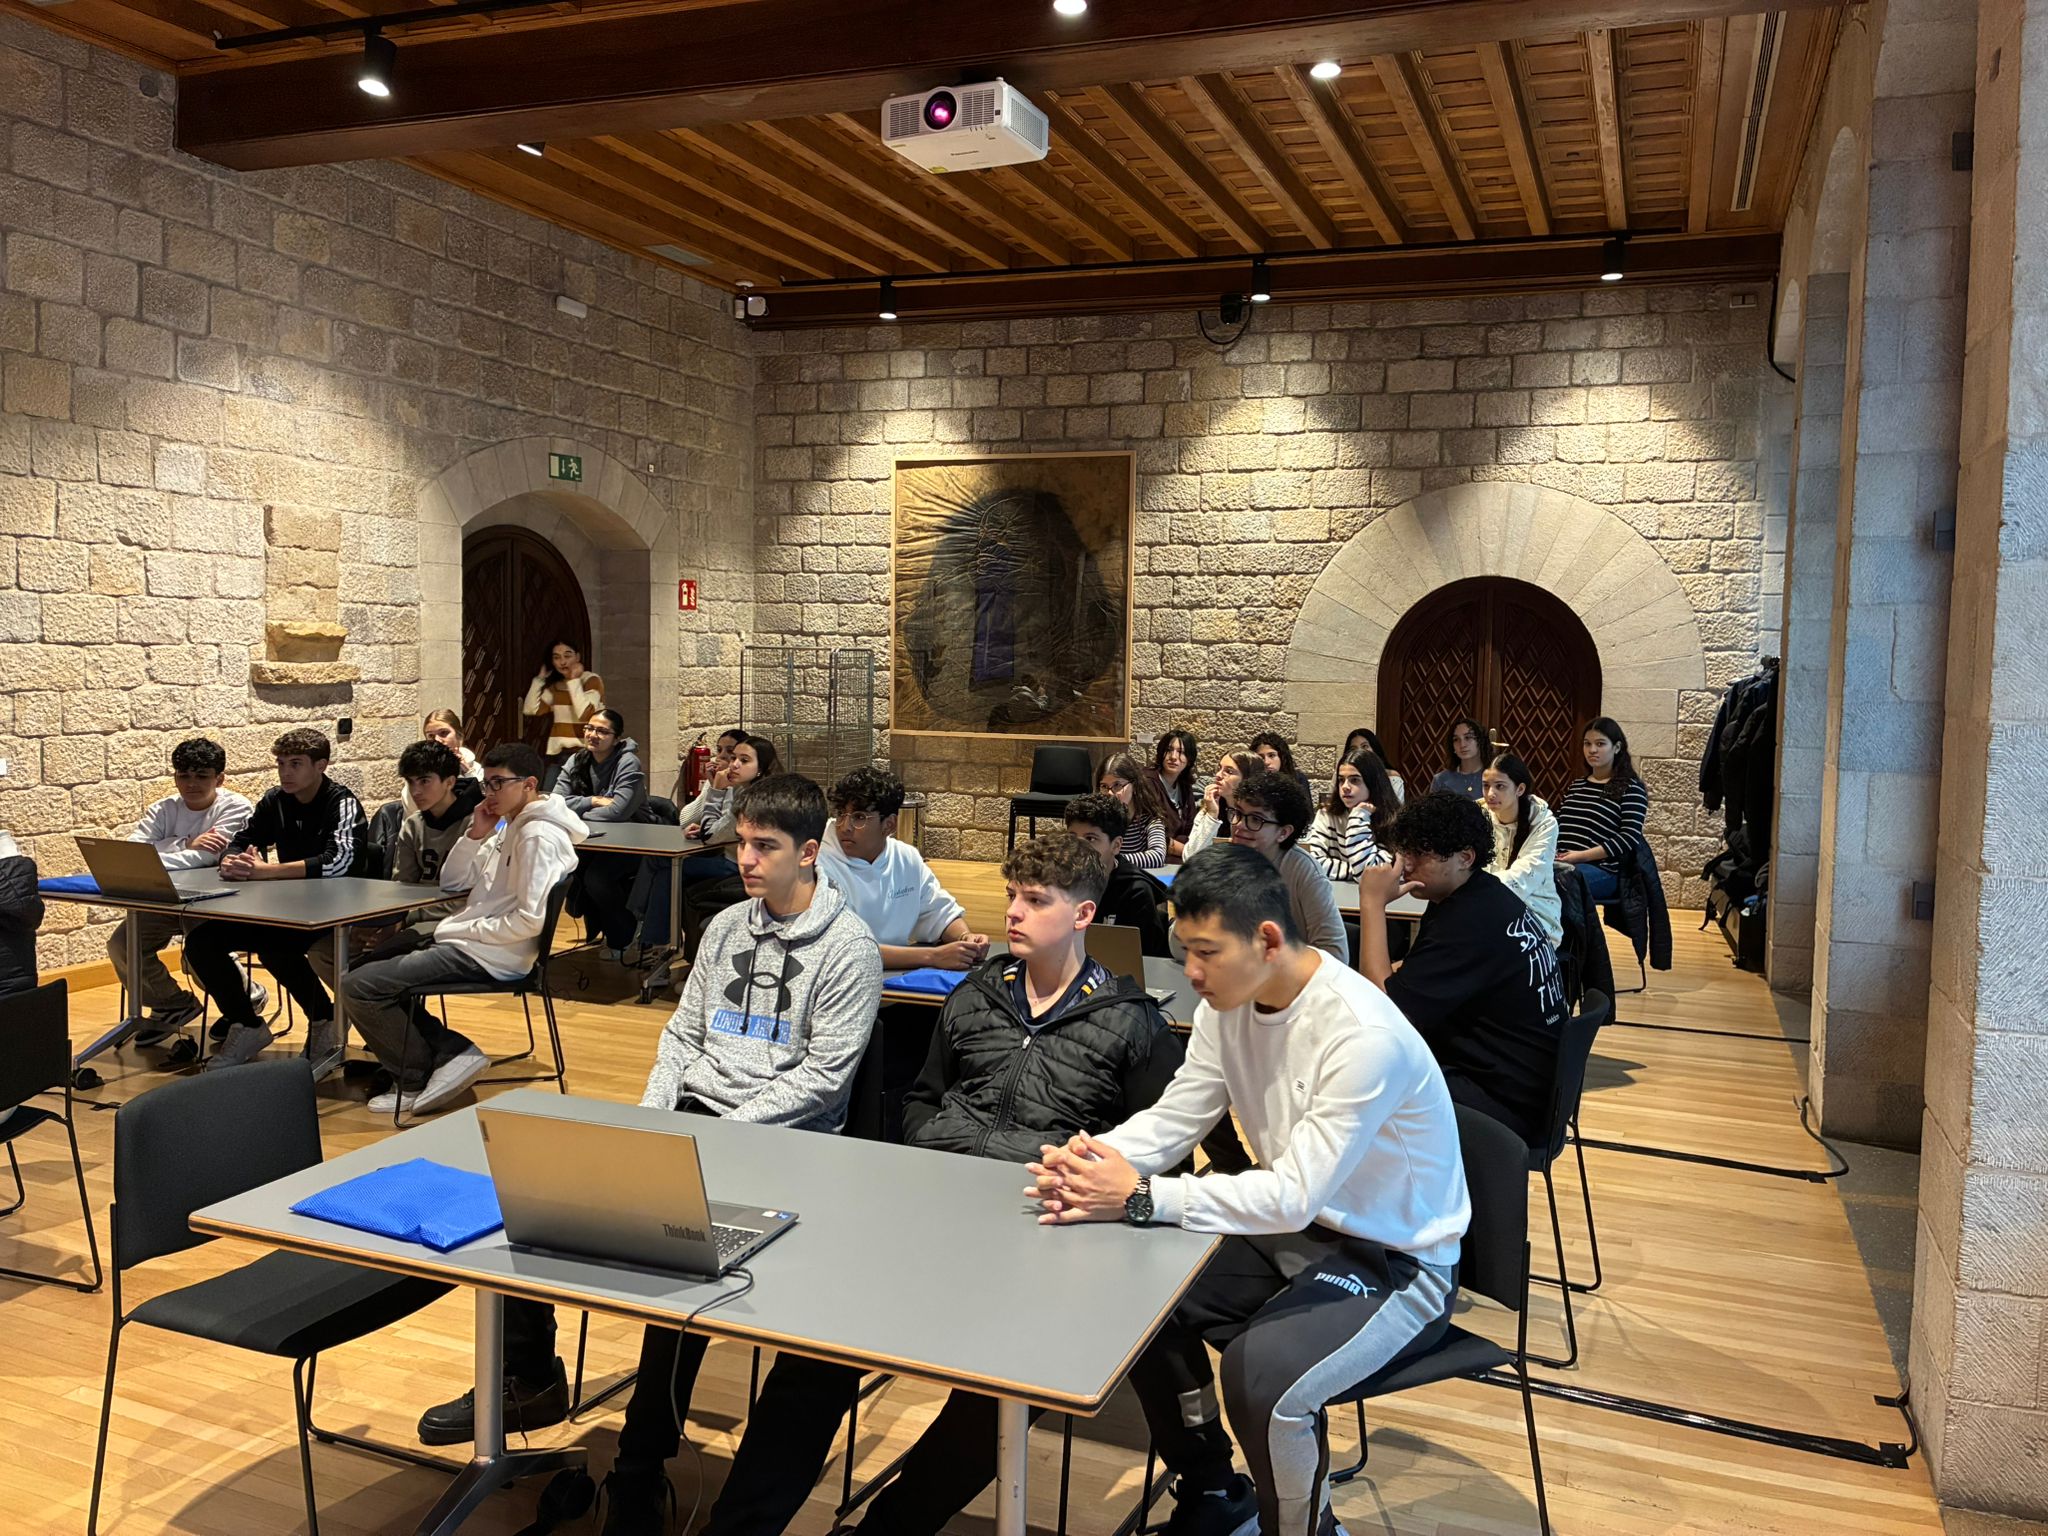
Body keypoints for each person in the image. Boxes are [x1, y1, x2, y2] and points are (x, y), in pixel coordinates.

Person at [694, 832, 1197, 1536]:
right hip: (930, 1214)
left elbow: (1160, 1161)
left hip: (1037, 1235)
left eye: (1035, 901)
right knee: (816, 1351)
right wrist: (931, 1154)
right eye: (1012, 896)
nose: (1012, 913)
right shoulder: (977, 994)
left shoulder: (1131, 1024)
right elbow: (925, 1097)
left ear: (1083, 915)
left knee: (1003, 1391)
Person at [410, 774, 881, 1482]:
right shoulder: (727, 926)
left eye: (765, 847)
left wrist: (715, 1134)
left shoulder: (849, 948)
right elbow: (682, 1036)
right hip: (691, 1122)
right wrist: (655, 1120)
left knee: (681, 1251)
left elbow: (822, 1079)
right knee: (536, 1194)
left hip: (781, 1142)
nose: (746, 859)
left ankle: (641, 1455)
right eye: (742, 843)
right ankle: (528, 1378)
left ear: (809, 852)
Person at [1026, 844, 1469, 1536]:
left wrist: (1141, 1195)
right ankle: (1213, 1489)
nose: (1190, 972)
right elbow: (1179, 1116)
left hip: (1398, 1258)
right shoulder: (1228, 1003)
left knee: (1261, 1378)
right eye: (1185, 950)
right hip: (1297, 1232)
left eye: (1206, 952)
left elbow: (1293, 1193)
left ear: (1266, 939)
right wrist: (1094, 1159)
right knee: (1138, 1299)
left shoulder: (1361, 1034)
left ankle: (1306, 1529)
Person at [340, 742, 587, 1116]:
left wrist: (466, 930)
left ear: (529, 784)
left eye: (499, 783)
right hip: (475, 942)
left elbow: (528, 920)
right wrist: (475, 834)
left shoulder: (538, 836)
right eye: (487, 783)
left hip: (493, 954)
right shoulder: (510, 824)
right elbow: (453, 882)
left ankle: (415, 1076)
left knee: (358, 986)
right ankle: (451, 1053)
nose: (489, 793)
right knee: (364, 970)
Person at [1356, 791, 1570, 1147]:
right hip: (1528, 1085)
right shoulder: (1483, 894)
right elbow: (1417, 971)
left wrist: (1372, 903)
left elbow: (1386, 1008)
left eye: (1421, 853)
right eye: (1405, 850)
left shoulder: (1469, 919)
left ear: (1464, 858)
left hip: (1506, 1104)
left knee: (1368, 1075)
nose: (1406, 864)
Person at [181, 728, 371, 1076]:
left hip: (335, 912)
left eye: (295, 764)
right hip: (285, 910)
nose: (285, 772)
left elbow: (339, 862)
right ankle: (247, 1024)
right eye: (281, 763)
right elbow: (244, 838)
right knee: (201, 942)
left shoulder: (341, 802)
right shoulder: (275, 800)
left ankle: (324, 1019)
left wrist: (267, 872)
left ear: (320, 765)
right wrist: (232, 860)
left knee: (274, 947)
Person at [109, 737, 262, 1044]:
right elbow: (132, 854)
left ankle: (247, 998)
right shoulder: (163, 809)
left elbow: (205, 859)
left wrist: (161, 850)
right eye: (184, 776)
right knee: (123, 945)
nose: (191, 784)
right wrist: (184, 843)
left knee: (198, 952)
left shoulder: (236, 807)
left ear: (219, 779)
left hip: (218, 901)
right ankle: (172, 1004)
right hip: (166, 899)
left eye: (201, 776)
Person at [816, 766, 986, 971]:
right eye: (841, 814)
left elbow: (938, 913)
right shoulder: (818, 863)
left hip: (895, 975)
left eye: (859, 817)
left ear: (889, 825)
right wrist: (932, 956)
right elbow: (844, 950)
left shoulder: (906, 858)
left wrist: (965, 938)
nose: (845, 826)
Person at [1226, 767, 1349, 967]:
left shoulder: (1304, 871)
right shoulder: (1221, 863)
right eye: (1238, 813)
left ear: (1283, 833)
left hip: (1288, 981)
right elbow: (1179, 942)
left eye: (1256, 819)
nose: (1239, 825)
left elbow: (1336, 954)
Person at [555, 707, 649, 959]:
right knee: (564, 869)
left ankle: (623, 937)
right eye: (589, 728)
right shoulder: (577, 760)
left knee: (598, 878)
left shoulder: (627, 762)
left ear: (616, 738)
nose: (593, 735)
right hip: (593, 838)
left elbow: (618, 811)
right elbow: (556, 801)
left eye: (602, 731)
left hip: (635, 840)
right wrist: (593, 801)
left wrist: (576, 813)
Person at [1555, 716, 1651, 905]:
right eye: (1587, 744)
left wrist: (1580, 856)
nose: (1592, 750)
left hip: (1603, 869)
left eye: (1600, 744)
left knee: (1557, 881)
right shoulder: (1576, 786)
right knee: (1526, 875)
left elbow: (1628, 838)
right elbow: (1558, 823)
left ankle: (1576, 927)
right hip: (1563, 862)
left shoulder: (1631, 788)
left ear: (1617, 747)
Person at [1065, 792, 1171, 958]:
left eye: (1090, 839)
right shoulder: (1060, 881)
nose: (1078, 847)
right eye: (1072, 837)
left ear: (1116, 845)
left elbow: (1147, 960)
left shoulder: (1136, 893)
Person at [1482, 752, 1562, 946]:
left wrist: (1475, 893)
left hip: (1534, 910)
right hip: (1483, 904)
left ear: (1520, 789)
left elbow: (1525, 875)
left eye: (1500, 786)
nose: (1490, 793)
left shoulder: (1543, 822)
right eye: (1486, 785)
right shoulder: (1478, 813)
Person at [1302, 748, 1398, 880]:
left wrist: (1358, 818)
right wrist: (1354, 870)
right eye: (1341, 780)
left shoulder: (1391, 819)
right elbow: (1313, 864)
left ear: (1373, 783)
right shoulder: (1327, 814)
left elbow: (1372, 876)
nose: (1345, 787)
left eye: (1354, 780)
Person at [523, 639, 603, 787]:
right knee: (549, 795)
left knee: (580, 797)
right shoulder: (557, 686)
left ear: (577, 657)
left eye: (567, 655)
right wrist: (539, 680)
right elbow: (531, 709)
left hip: (585, 754)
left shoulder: (591, 680)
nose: (562, 662)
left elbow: (585, 714)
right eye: (556, 657)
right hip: (558, 754)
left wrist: (573, 680)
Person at [1099, 749, 1171, 869]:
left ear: (1135, 785)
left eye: (1117, 785)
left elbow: (1157, 856)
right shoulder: (1096, 818)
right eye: (1104, 786)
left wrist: (1113, 861)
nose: (1110, 793)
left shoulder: (1150, 820)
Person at [402, 709, 483, 813]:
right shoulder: (417, 772)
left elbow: (485, 802)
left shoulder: (475, 768)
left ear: (459, 735)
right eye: (431, 736)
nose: (437, 740)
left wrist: (468, 771)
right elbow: (413, 810)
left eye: (444, 733)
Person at [1183, 749, 1258, 858]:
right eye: (1219, 768)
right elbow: (1189, 856)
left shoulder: (1257, 815)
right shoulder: (1210, 806)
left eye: (1229, 771)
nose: (1218, 775)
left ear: (1247, 779)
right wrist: (1212, 815)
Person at [1153, 729, 1200, 857]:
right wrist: (1187, 851)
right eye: (1168, 750)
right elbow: (1152, 836)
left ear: (1189, 759)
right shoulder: (1148, 782)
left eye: (1181, 752)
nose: (1173, 757)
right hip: (1156, 857)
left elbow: (1192, 829)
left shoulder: (1185, 786)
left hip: (1180, 857)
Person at [1429, 717, 1490, 800]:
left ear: (1480, 741)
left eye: (1468, 737)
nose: (1462, 745)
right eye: (1456, 739)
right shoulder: (1441, 780)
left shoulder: (1494, 777)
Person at [1342, 726, 1406, 805]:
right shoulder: (1342, 774)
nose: (1359, 751)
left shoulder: (1391, 777)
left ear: (1374, 748)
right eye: (1353, 748)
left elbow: (1398, 808)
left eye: (1364, 746)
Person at [1249, 729, 1316, 803]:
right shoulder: (1250, 783)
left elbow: (1307, 809)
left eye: (1271, 755)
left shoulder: (1298, 779)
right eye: (1261, 757)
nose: (1266, 762)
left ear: (1281, 757)